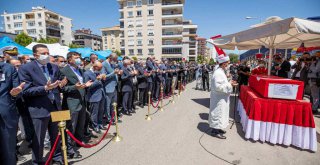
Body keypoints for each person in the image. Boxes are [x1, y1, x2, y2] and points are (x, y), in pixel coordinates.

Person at [18, 44, 68, 165]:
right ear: (35, 55)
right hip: (39, 109)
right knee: (39, 140)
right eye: (43, 53)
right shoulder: (26, 68)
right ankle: (38, 162)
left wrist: (61, 85)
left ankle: (57, 158)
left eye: (48, 52)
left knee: (56, 136)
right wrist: (45, 88)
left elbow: (57, 84)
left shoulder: (53, 67)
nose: (47, 55)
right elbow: (26, 91)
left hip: (55, 107)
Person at [60, 52, 92, 159]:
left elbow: (81, 84)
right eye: (76, 58)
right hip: (71, 103)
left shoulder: (80, 69)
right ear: (69, 60)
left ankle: (79, 142)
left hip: (81, 101)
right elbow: (62, 88)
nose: (79, 59)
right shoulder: (64, 71)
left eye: (79, 57)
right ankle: (70, 149)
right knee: (71, 126)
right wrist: (75, 87)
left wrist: (85, 86)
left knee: (80, 124)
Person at [0, 56, 25, 165]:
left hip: (6, 114)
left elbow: (16, 89)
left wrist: (16, 93)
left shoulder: (8, 68)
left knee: (8, 147)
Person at [209, 54, 237, 139]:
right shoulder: (218, 72)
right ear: (224, 63)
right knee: (218, 113)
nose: (228, 64)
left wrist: (229, 82)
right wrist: (230, 84)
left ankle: (218, 128)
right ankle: (215, 131)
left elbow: (222, 83)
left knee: (221, 113)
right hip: (218, 98)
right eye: (227, 63)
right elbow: (218, 87)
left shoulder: (221, 71)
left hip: (222, 98)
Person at [84, 61, 107, 134]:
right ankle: (95, 126)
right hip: (93, 96)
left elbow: (100, 83)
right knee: (94, 113)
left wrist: (103, 79)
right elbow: (87, 87)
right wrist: (97, 80)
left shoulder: (97, 72)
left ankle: (100, 123)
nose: (100, 70)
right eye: (99, 68)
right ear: (95, 67)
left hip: (101, 94)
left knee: (101, 111)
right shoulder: (87, 73)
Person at [102, 53, 121, 124]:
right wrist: (114, 72)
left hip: (114, 86)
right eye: (115, 60)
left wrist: (118, 72)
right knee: (107, 104)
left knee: (113, 104)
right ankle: (108, 118)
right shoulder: (104, 64)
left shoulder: (112, 64)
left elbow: (114, 72)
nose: (115, 62)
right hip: (108, 88)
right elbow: (104, 77)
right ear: (110, 58)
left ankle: (113, 117)